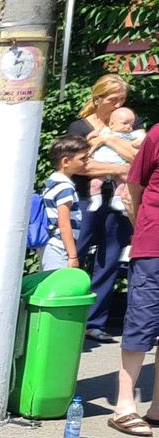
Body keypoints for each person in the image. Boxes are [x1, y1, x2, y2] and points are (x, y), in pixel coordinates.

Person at [65, 75, 140, 337]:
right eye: (113, 99)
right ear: (98, 99)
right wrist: (119, 166)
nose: (119, 103)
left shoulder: (129, 120)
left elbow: (138, 157)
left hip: (117, 201)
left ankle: (94, 323)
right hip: (85, 198)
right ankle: (66, 314)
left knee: (108, 258)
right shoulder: (80, 126)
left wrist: (109, 140)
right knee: (77, 251)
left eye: (122, 98)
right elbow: (80, 165)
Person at [108, 123, 159, 436]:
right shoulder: (157, 134)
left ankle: (157, 408)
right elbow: (134, 185)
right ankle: (124, 406)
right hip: (154, 243)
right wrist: (143, 223)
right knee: (143, 320)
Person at [38, 137, 88, 274]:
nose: (87, 162)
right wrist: (72, 256)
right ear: (66, 161)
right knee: (57, 287)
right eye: (83, 158)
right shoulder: (65, 187)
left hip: (51, 245)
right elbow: (64, 224)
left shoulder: (53, 182)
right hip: (60, 247)